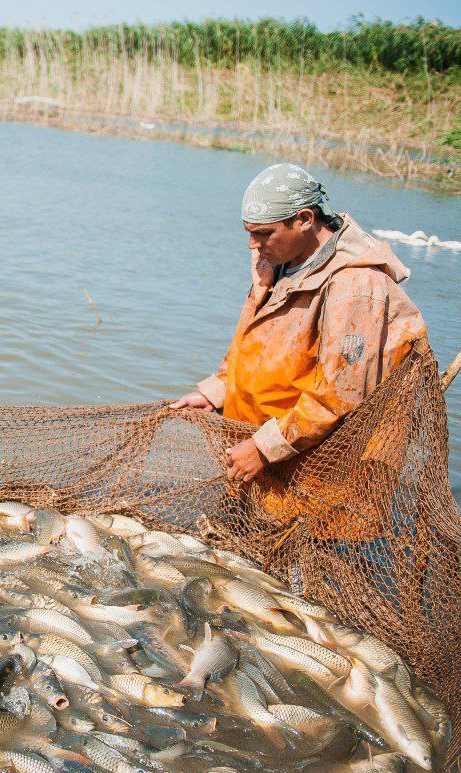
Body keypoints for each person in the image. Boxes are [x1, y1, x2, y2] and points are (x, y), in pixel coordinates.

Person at [171, 163, 426, 534]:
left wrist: (264, 448)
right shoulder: (275, 260)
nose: (252, 244)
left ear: (305, 219)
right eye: (249, 233)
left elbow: (340, 396)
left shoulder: (356, 286)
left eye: (263, 233)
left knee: (295, 564)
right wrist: (217, 390)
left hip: (310, 474)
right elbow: (258, 343)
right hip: (257, 457)